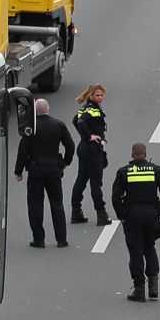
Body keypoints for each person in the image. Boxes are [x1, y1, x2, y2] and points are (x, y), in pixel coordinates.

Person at [112, 142, 160, 302]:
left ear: (132, 155)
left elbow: (116, 197)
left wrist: (122, 216)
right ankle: (153, 287)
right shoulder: (157, 170)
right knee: (149, 248)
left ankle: (139, 289)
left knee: (136, 252)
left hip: (133, 215)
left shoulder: (124, 172)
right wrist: (158, 210)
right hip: (151, 215)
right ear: (145, 154)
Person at [15, 97, 76, 247]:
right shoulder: (59, 125)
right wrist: (65, 163)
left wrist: (19, 170)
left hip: (35, 169)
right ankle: (61, 239)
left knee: (35, 204)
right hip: (53, 168)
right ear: (48, 109)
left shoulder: (31, 127)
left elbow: (23, 149)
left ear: (35, 112)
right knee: (57, 203)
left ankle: (39, 239)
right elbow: (70, 145)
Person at [69, 84, 112, 226]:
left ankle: (76, 211)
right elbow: (81, 122)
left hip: (83, 148)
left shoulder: (85, 108)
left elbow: (75, 120)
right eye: (97, 95)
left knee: (81, 179)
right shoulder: (92, 110)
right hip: (93, 149)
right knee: (96, 183)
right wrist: (89, 136)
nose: (100, 98)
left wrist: (84, 136)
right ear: (90, 96)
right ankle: (101, 214)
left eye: (101, 95)